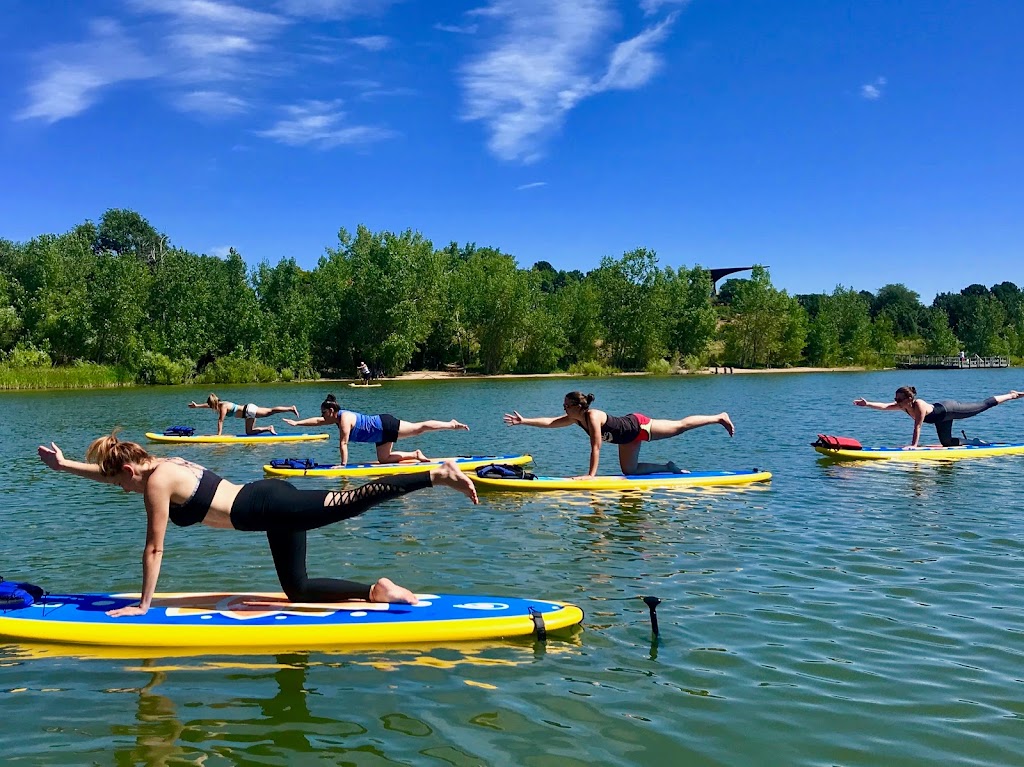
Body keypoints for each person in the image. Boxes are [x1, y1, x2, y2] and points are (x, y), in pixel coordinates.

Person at [37, 431, 479, 617]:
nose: (121, 490)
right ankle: (376, 591)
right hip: (267, 508)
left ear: (130, 472)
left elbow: (154, 549)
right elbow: (110, 472)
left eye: (121, 485)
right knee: (298, 590)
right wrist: (66, 467)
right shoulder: (157, 463)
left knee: (352, 502)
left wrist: (143, 605)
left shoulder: (155, 483)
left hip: (272, 507)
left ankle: (435, 474)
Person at [503, 391, 735, 478]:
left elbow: (596, 446)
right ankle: (669, 468)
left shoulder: (592, 416)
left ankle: (718, 417)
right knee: (630, 471)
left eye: (566, 405)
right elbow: (551, 422)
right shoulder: (575, 418)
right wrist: (524, 421)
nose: (563, 409)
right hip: (627, 439)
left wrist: (590, 475)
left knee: (679, 427)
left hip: (639, 426)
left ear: (577, 406)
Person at [284, 394, 470, 466]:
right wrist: (297, 424)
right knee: (383, 459)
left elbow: (343, 443)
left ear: (331, 411)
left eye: (324, 412)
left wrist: (343, 467)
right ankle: (415, 454)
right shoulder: (335, 419)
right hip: (379, 436)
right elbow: (317, 422)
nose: (322, 415)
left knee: (418, 428)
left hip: (385, 424)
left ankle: (451, 424)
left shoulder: (344, 420)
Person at [853, 386, 1022, 447]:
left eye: (899, 399)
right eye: (895, 399)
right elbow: (883, 406)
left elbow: (917, 426)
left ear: (909, 399)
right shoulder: (903, 406)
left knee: (982, 406)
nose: (896, 401)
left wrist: (914, 446)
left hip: (950, 410)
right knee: (946, 443)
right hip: (941, 420)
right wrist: (867, 404)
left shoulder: (917, 405)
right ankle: (973, 442)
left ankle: (1012, 395)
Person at [188, 394, 299, 436]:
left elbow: (220, 421)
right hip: (247, 414)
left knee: (270, 411)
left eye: (211, 405)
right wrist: (197, 406)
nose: (210, 407)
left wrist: (219, 435)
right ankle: (268, 428)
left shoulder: (223, 407)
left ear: (214, 403)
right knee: (249, 432)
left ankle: (290, 408)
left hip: (248, 410)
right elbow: (208, 406)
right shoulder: (219, 404)